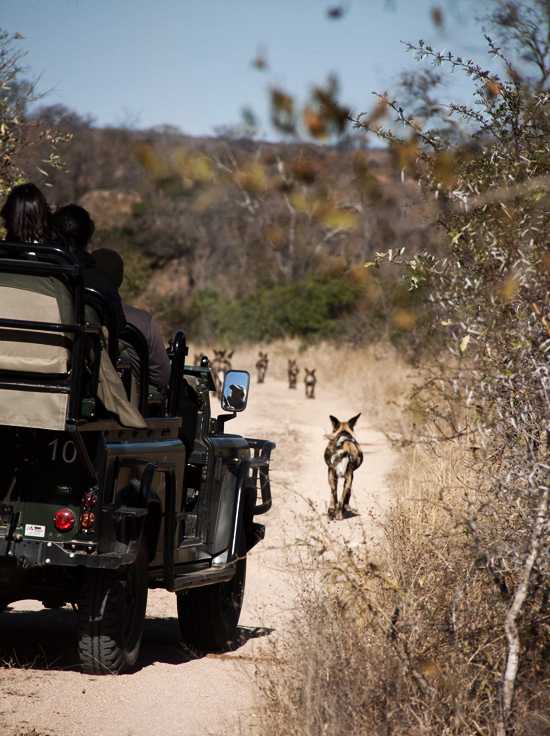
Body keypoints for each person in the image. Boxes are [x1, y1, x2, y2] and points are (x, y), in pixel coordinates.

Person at [92, 248, 171, 391]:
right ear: (120, 280)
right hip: (127, 407)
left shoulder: (69, 314)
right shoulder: (143, 322)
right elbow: (161, 378)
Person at [51, 205, 125, 339]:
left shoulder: (31, 267)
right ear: (88, 237)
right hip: (73, 356)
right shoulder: (100, 284)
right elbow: (119, 330)